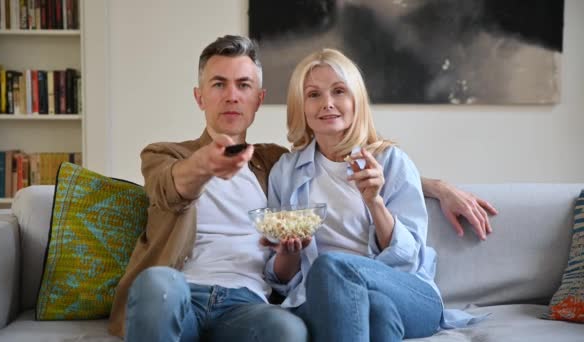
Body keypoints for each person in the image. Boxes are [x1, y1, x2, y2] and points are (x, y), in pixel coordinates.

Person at [107, 35, 495, 341]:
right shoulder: (268, 166)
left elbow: (403, 252)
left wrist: (431, 187)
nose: (231, 95)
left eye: (243, 85)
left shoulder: (365, 162)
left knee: (315, 297)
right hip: (197, 294)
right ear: (199, 96)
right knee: (371, 311)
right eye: (219, 84)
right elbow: (172, 186)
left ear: (259, 100)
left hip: (357, 291)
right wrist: (207, 162)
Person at [263, 48, 484, 342]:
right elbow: (281, 280)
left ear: (356, 100)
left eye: (339, 91)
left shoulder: (392, 162)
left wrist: (375, 201)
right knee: (376, 311)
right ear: (300, 106)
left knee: (332, 266)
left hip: (407, 292)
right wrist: (287, 255)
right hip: (324, 297)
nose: (327, 103)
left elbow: (408, 260)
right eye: (313, 94)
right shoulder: (286, 172)